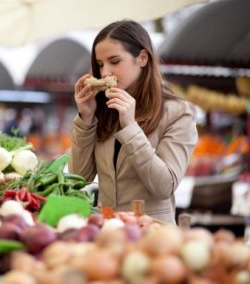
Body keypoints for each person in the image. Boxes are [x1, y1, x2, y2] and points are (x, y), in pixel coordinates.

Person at [69, 20, 198, 224]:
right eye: (100, 64)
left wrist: (130, 127)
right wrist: (86, 118)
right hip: (107, 230)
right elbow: (79, 178)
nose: (104, 73)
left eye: (115, 61)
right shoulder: (103, 108)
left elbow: (164, 186)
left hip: (153, 235)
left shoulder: (179, 113)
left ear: (143, 58)